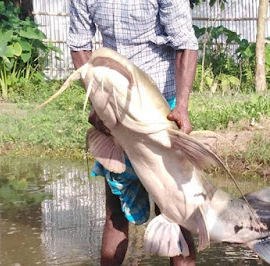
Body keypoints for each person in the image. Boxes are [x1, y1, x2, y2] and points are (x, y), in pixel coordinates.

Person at [67, 1, 198, 265]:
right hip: (114, 107)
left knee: (173, 211)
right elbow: (79, 45)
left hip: (159, 106)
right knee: (116, 211)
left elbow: (185, 44)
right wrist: (96, 101)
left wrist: (182, 106)